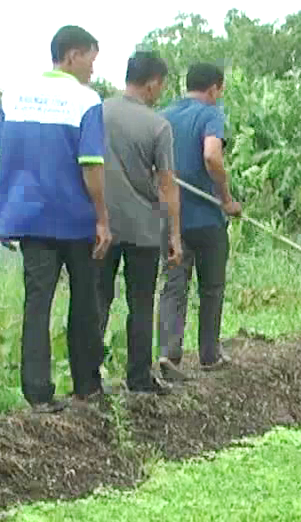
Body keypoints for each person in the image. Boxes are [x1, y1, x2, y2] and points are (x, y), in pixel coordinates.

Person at [0, 24, 112, 414]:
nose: (92, 69)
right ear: (74, 55)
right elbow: (92, 165)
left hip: (28, 217)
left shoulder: (14, 97)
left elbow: (3, 149)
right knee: (85, 299)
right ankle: (87, 385)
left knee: (38, 302)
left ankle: (37, 392)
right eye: (91, 60)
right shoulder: (85, 100)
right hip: (74, 217)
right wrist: (102, 218)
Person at [95, 50, 183, 396]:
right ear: (152, 83)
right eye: (161, 86)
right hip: (144, 230)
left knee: (98, 299)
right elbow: (167, 185)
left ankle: (88, 378)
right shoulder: (158, 125)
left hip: (101, 225)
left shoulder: (97, 112)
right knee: (140, 304)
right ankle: (138, 378)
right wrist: (174, 234)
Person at [157, 62, 242, 380]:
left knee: (174, 286)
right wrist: (226, 199)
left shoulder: (164, 115)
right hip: (207, 217)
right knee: (212, 287)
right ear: (214, 89)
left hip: (170, 219)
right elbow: (211, 156)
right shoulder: (211, 113)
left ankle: (168, 353)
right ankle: (209, 354)